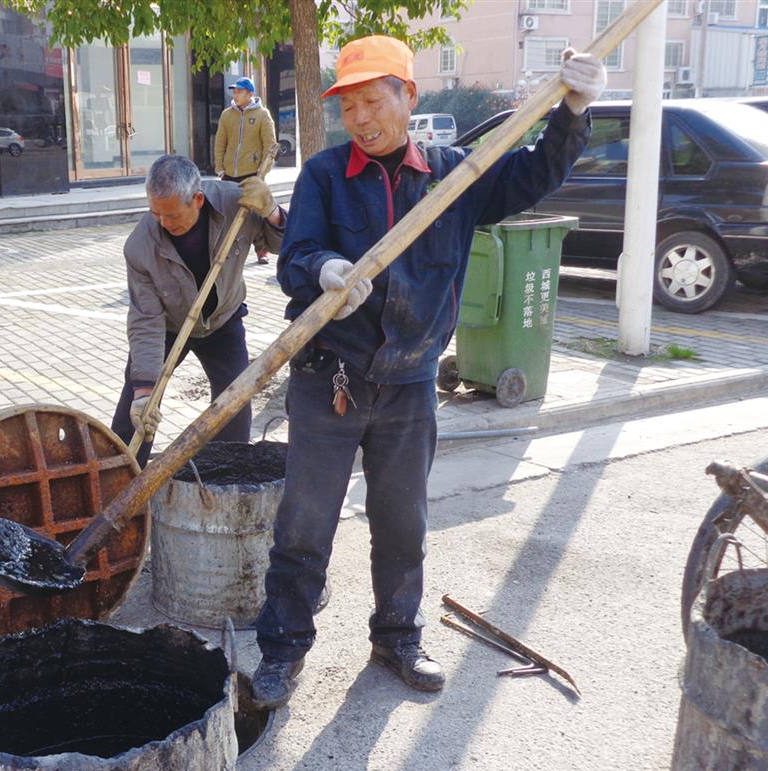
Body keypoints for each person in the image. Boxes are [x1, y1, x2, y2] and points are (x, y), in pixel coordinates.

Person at [250, 35, 605, 710]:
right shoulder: (325, 175)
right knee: (304, 523)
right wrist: (323, 270)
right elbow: (296, 257)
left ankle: (397, 637)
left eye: (372, 99)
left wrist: (572, 111)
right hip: (330, 377)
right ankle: (283, 647)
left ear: (408, 97)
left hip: (410, 382)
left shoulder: (457, 174)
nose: (359, 116)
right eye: (348, 104)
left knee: (403, 521)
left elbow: (534, 176)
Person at [112, 154, 286, 468]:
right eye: (156, 214)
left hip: (222, 322)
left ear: (198, 199)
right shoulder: (140, 247)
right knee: (134, 414)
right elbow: (145, 319)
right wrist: (144, 388)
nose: (164, 223)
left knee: (233, 404)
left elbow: (280, 245)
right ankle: (120, 482)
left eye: (172, 216)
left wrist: (273, 212)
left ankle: (224, 475)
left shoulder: (237, 204)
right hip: (168, 327)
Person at [214, 77, 278, 265]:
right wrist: (219, 167)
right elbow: (220, 143)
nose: (235, 94)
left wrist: (262, 172)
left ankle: (261, 250)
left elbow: (270, 145)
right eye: (234, 91)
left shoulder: (262, 115)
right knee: (226, 211)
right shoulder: (227, 115)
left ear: (250, 93)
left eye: (240, 91)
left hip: (252, 174)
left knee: (256, 215)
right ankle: (226, 249)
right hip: (229, 174)